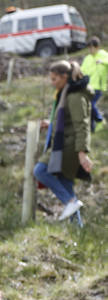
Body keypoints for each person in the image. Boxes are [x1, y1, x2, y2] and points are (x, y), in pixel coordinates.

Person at [33, 60, 94, 223]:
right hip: (63, 144)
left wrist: (82, 153)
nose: (52, 83)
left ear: (65, 76)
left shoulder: (75, 96)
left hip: (70, 147)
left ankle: (70, 202)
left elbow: (82, 125)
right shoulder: (65, 93)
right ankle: (77, 230)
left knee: (40, 170)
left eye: (54, 79)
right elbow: (65, 118)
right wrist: (50, 123)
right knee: (66, 185)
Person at [80, 37, 108, 131]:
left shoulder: (104, 55)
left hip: (98, 87)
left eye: (91, 48)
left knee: (91, 105)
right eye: (89, 48)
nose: (90, 50)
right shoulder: (87, 58)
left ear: (97, 47)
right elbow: (82, 70)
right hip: (88, 87)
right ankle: (92, 127)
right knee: (88, 107)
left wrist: (102, 62)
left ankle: (100, 120)